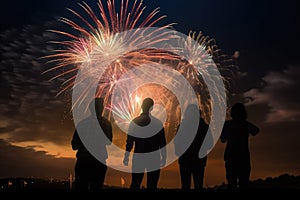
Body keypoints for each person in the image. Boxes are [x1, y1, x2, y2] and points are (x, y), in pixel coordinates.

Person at [123, 98, 166, 189]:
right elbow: (162, 142)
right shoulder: (158, 123)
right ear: (152, 108)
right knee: (152, 184)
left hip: (139, 155)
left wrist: (126, 155)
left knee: (135, 183)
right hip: (154, 157)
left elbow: (130, 141)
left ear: (142, 106)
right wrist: (164, 156)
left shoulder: (135, 122)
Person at [72, 97, 112, 190]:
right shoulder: (106, 124)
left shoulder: (82, 124)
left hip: (83, 162)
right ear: (101, 109)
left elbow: (74, 145)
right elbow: (109, 142)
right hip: (99, 163)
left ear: (90, 109)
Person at [220, 102, 259, 189]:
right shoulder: (244, 125)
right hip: (242, 157)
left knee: (232, 183)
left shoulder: (228, 124)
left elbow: (222, 139)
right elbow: (256, 131)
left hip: (232, 157)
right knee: (243, 183)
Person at [174, 104, 213, 189]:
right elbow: (210, 143)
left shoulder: (182, 126)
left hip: (185, 160)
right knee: (198, 184)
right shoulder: (204, 127)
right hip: (199, 161)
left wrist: (179, 153)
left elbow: (176, 143)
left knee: (185, 185)